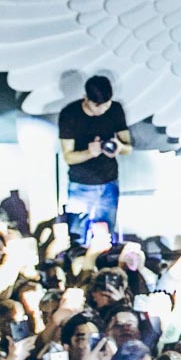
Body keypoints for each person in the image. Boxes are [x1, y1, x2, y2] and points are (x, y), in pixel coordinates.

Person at [58, 75, 132, 244]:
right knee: (77, 240)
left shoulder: (115, 109)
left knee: (105, 239)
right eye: (97, 105)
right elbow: (68, 157)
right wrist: (90, 152)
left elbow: (128, 148)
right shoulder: (70, 114)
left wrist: (119, 147)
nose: (102, 110)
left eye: (106, 105)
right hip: (81, 185)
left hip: (109, 182)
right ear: (86, 98)